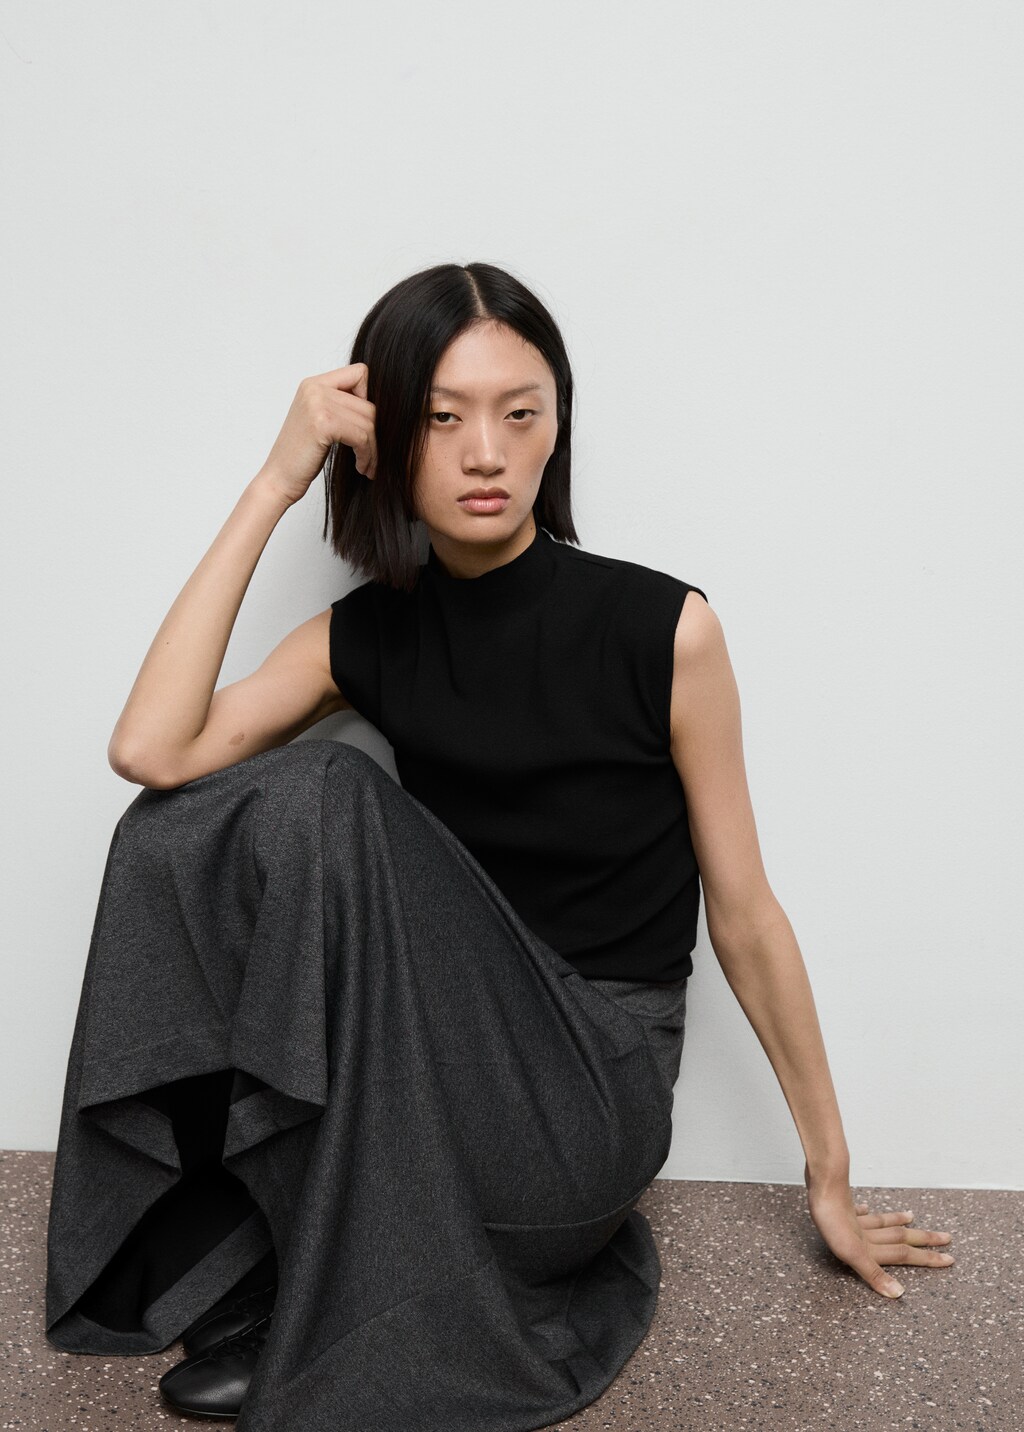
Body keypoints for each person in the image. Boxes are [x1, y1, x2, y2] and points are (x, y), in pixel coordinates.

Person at [44, 261, 953, 1430]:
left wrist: (828, 1173)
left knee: (326, 787)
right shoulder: (365, 637)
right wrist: (277, 477)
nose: (486, 453)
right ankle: (332, 1266)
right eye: (442, 418)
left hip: (587, 1102)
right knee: (184, 826)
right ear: (381, 442)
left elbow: (745, 912)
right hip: (433, 1088)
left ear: (555, 429)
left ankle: (337, 1291)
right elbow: (151, 749)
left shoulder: (662, 629)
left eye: (520, 413)